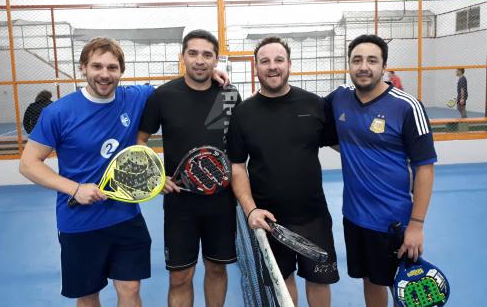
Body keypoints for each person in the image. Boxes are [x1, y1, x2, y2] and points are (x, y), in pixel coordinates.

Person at [19, 37, 229, 307]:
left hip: (125, 216)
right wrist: (74, 188)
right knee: (88, 295)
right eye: (97, 66)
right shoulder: (59, 113)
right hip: (79, 222)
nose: (104, 74)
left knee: (130, 288)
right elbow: (28, 164)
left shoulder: (135, 97)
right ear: (83, 68)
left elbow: (181, 86)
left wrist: (209, 72)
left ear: (121, 71)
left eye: (112, 67)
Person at [325, 34, 437, 307]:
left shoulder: (407, 106)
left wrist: (416, 225)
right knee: (371, 281)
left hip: (394, 223)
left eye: (372, 60)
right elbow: (305, 113)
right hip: (354, 216)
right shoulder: (338, 98)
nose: (364, 66)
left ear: (384, 66)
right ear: (349, 65)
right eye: (357, 60)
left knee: (404, 288)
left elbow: (424, 167)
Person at [227, 37, 340, 307]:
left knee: (320, 282)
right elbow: (238, 167)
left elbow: (347, 150)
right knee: (283, 283)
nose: (272, 66)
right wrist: (250, 209)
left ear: (289, 64)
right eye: (264, 61)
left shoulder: (315, 105)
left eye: (279, 60)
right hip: (270, 219)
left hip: (314, 216)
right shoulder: (243, 114)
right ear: (256, 68)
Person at [137, 29, 241, 307]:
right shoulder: (163, 96)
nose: (199, 60)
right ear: (182, 57)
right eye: (193, 53)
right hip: (179, 204)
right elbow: (140, 141)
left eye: (207, 54)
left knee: (217, 269)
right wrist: (155, 177)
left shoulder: (229, 95)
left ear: (215, 60)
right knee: (180, 277)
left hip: (221, 202)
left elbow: (238, 148)